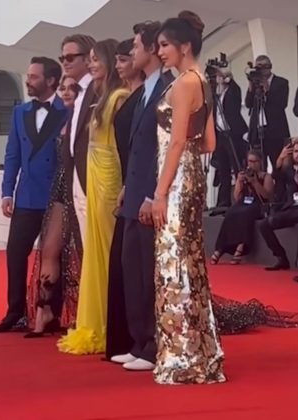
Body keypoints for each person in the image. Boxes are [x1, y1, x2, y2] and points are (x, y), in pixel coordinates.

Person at [152, 11, 226, 384]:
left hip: (178, 180)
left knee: (174, 264)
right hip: (195, 177)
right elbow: (209, 143)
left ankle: (182, 358)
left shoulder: (183, 84)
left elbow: (178, 140)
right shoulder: (203, 81)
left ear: (184, 46)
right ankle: (200, 352)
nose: (159, 51)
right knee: (192, 262)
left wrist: (160, 193)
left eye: (164, 45)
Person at [0, 57, 68, 334]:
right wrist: (6, 191)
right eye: (28, 76)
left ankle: (52, 312)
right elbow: (12, 155)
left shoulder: (68, 110)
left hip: (56, 197)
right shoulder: (20, 113)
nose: (28, 81)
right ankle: (15, 312)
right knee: (15, 252)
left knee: (55, 256)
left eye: (33, 77)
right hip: (27, 196)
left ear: (51, 80)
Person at [58, 39, 129, 354]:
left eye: (95, 59)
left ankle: (112, 323)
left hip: (109, 182)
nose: (91, 64)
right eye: (89, 59)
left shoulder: (119, 97)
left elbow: (123, 147)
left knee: (108, 254)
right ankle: (98, 321)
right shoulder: (98, 98)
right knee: (94, 254)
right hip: (91, 180)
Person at [110, 21, 165, 372]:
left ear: (152, 50)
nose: (132, 52)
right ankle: (138, 340)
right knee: (131, 269)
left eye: (135, 46)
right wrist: (129, 187)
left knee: (148, 273)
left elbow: (165, 149)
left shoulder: (168, 88)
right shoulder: (144, 90)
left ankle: (152, 345)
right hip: (133, 194)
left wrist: (149, 193)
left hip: (151, 197)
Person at [26, 76, 81, 337]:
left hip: (80, 186)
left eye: (73, 88)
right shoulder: (61, 118)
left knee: (81, 252)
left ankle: (87, 311)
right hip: (60, 187)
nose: (67, 92)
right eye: (63, 88)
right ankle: (44, 309)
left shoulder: (85, 117)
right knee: (49, 249)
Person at [105, 38, 145, 360]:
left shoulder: (147, 95)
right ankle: (130, 339)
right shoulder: (126, 96)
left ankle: (140, 340)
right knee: (125, 265)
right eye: (119, 58)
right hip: (125, 184)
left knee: (135, 265)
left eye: (127, 56)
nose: (122, 63)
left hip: (138, 187)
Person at [60, 34, 96, 245]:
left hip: (92, 176)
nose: (65, 61)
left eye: (71, 57)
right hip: (76, 175)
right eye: (63, 57)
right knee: (83, 243)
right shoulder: (80, 92)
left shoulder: (97, 90)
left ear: (87, 58)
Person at [211, 150, 274, 265]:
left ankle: (241, 246)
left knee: (245, 214)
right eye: (250, 161)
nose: (252, 164)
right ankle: (220, 248)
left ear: (260, 162)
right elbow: (237, 197)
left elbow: (267, 196)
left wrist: (255, 182)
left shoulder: (266, 177)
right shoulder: (244, 174)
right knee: (230, 213)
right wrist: (239, 182)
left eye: (255, 161)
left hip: (258, 204)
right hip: (244, 202)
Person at [245, 55, 290, 172]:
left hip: (275, 131)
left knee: (278, 167)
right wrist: (250, 86)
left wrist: (267, 89)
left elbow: (282, 104)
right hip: (258, 131)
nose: (261, 71)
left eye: (264, 67)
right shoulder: (255, 83)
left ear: (269, 67)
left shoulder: (281, 83)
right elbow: (248, 104)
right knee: (259, 167)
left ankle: (279, 189)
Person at [260, 140, 298, 271]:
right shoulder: (289, 171)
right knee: (264, 224)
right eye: (296, 151)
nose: (297, 154)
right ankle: (281, 258)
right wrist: (281, 157)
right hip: (291, 209)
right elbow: (275, 176)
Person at [213, 70, 248, 207]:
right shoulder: (219, 94)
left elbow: (235, 91)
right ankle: (223, 201)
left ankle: (242, 197)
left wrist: (229, 80)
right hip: (221, 135)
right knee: (223, 169)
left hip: (233, 134)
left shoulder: (233, 91)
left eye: (222, 77)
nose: (219, 79)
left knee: (237, 166)